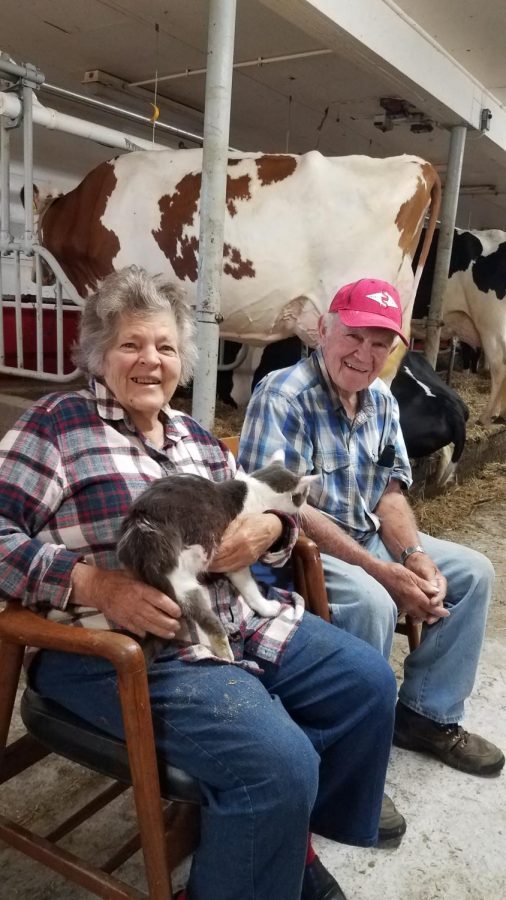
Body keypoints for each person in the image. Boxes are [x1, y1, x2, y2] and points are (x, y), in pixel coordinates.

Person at [0, 266, 399, 900]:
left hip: (227, 623)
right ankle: (261, 835)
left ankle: (280, 845)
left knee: (368, 685)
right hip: (118, 652)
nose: (149, 361)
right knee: (278, 764)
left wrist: (271, 528)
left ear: (182, 359)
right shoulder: (56, 426)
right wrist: (91, 584)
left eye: (164, 346)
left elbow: (268, 513)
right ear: (99, 351)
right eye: (130, 344)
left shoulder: (194, 437)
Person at [239, 277, 505, 780]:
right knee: (373, 600)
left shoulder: (381, 399)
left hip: (365, 537)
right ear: (323, 331)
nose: (366, 353)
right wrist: (382, 571)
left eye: (380, 342)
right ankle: (351, 760)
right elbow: (285, 506)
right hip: (300, 549)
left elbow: (389, 493)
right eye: (354, 336)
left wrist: (413, 557)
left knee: (473, 572)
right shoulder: (284, 394)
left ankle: (426, 716)